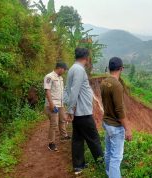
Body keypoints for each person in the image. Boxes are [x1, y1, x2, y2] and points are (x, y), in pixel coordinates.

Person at [65, 47, 103, 175]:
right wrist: (70, 109)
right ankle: (102, 164)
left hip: (78, 112)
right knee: (94, 138)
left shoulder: (72, 69)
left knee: (77, 139)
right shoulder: (79, 70)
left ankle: (78, 166)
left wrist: (70, 109)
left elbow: (67, 90)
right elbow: (74, 90)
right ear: (86, 58)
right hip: (83, 112)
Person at [100, 57, 133, 178]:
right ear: (121, 69)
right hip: (115, 126)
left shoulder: (104, 82)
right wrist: (128, 129)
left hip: (107, 122)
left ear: (109, 68)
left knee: (108, 152)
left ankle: (109, 173)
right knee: (116, 158)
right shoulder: (117, 85)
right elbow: (119, 110)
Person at [44, 61, 70, 151]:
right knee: (54, 124)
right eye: (64, 70)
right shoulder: (49, 77)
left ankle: (64, 135)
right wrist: (51, 104)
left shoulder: (61, 78)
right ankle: (51, 143)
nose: (64, 71)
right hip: (53, 104)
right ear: (60, 68)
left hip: (60, 104)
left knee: (63, 119)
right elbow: (47, 91)